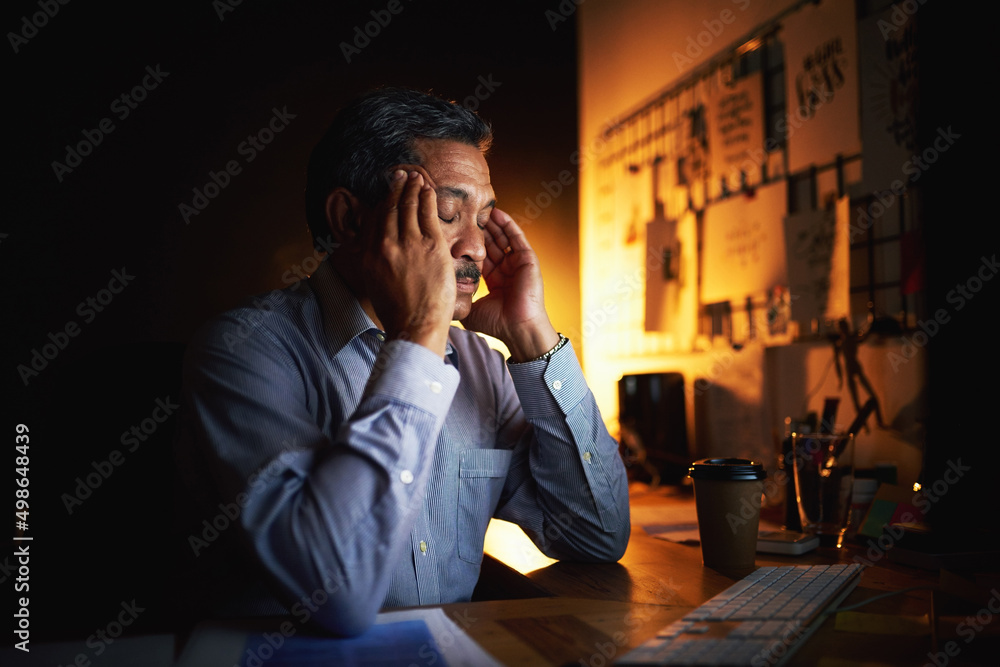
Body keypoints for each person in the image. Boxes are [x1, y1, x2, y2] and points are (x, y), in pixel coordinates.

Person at [175, 87, 630, 638]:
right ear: (348, 219)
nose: (478, 249)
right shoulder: (244, 351)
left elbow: (596, 535)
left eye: (484, 219)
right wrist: (418, 331)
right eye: (445, 213)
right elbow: (336, 598)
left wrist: (535, 339)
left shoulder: (481, 366)